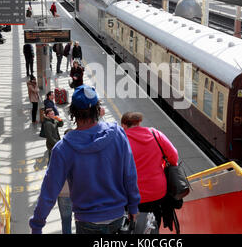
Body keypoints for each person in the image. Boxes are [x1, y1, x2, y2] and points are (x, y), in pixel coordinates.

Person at [29, 85, 140, 234]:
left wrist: (37, 225)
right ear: (97, 109)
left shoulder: (63, 149)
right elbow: (130, 175)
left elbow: (49, 191)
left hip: (86, 221)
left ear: (73, 111)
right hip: (118, 218)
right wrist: (133, 206)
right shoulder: (118, 134)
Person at [121, 111, 179, 233]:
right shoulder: (155, 134)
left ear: (124, 125)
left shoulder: (121, 140)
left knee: (131, 226)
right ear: (139, 122)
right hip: (157, 193)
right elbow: (174, 157)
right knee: (153, 223)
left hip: (131, 194)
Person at [57, 128, 74, 234]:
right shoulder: (84, 150)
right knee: (83, 219)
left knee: (66, 220)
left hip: (64, 193)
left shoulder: (58, 152)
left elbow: (53, 176)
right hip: (82, 192)